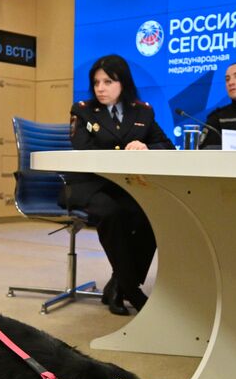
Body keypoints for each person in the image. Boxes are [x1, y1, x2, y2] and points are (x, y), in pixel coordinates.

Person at [67, 54, 174, 315]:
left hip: (126, 187)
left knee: (153, 214)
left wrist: (145, 145)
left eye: (108, 81)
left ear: (122, 83)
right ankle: (132, 290)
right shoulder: (82, 110)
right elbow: (82, 147)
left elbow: (167, 145)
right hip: (89, 185)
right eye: (96, 82)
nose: (100, 88)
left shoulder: (143, 112)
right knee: (111, 213)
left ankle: (118, 284)